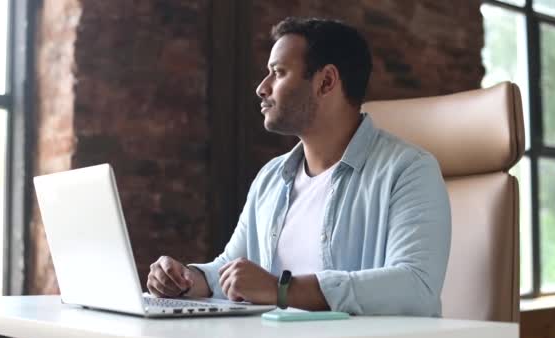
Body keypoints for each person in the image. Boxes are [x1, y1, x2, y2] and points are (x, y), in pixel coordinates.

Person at [147, 17, 451, 316]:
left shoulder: (409, 170)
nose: (262, 88)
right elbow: (230, 268)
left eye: (278, 73)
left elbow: (416, 287)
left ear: (326, 81)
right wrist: (185, 280)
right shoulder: (271, 177)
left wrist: (282, 289)